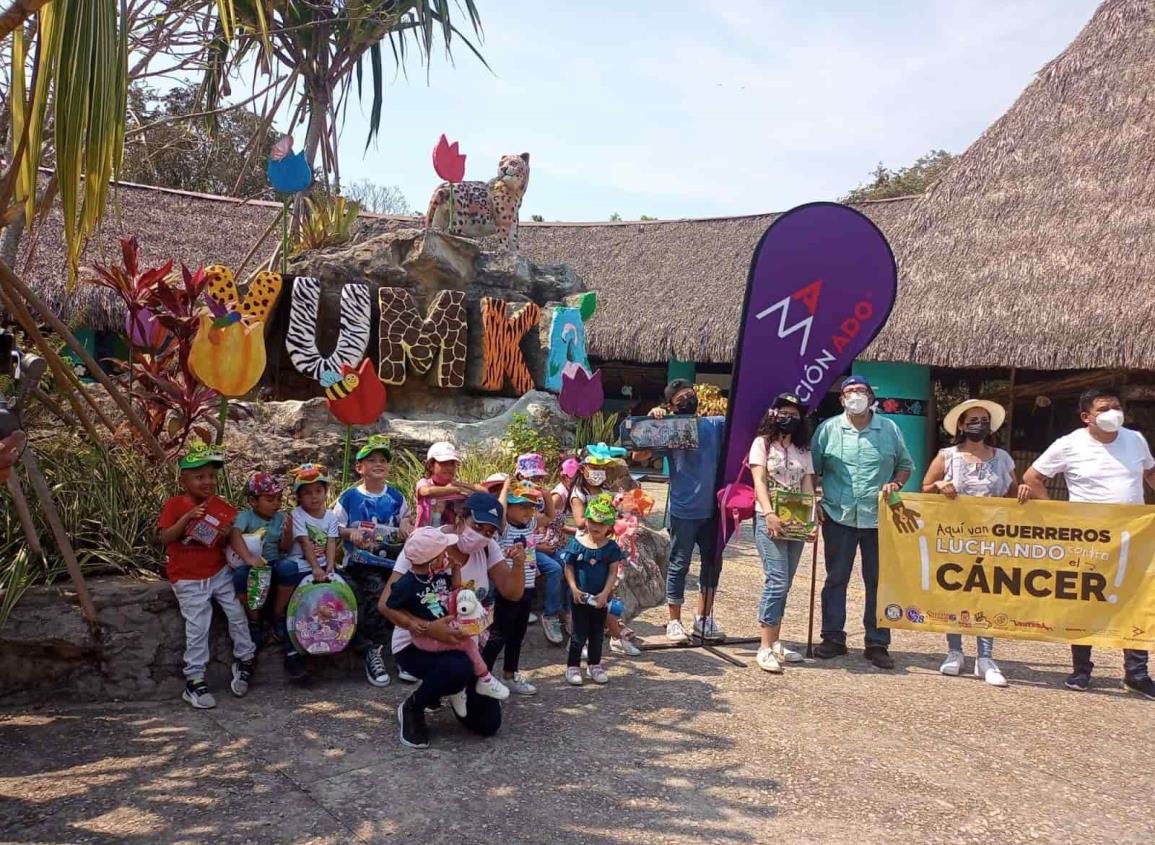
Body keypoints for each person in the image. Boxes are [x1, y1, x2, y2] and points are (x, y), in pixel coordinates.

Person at [1023, 388, 1155, 700]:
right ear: (1086, 417)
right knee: (1085, 599)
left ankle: (1136, 673)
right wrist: (1061, 516)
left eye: (1116, 406)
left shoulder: (1135, 439)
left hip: (1131, 535)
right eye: (1104, 408)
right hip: (1088, 539)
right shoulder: (1069, 444)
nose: (1113, 413)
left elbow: (1150, 472)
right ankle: (1081, 670)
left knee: (1135, 600)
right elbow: (1032, 477)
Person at [381, 492, 526, 749]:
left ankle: (448, 688)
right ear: (461, 517)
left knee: (488, 724)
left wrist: (519, 563)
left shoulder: (487, 548)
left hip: (461, 641)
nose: (482, 535)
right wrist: (427, 627)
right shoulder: (425, 544)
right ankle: (414, 706)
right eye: (477, 526)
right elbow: (386, 604)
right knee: (458, 667)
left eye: (490, 532)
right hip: (415, 643)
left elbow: (512, 592)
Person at [921, 399, 1027, 688]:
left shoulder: (1002, 458)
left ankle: (986, 657)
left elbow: (1012, 491)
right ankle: (955, 650)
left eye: (983, 419)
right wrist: (940, 486)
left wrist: (1023, 491)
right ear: (961, 425)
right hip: (955, 538)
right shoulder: (947, 456)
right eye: (973, 419)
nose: (978, 424)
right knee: (955, 590)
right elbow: (925, 488)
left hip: (992, 538)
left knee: (987, 593)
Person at [812, 375, 914, 669]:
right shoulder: (828, 429)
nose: (855, 395)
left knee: (878, 582)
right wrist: (813, 501)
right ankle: (833, 638)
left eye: (861, 390)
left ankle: (877, 642)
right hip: (838, 515)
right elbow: (813, 471)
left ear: (871, 396)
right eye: (849, 391)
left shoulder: (890, 429)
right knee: (836, 579)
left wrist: (896, 484)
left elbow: (905, 466)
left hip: (878, 519)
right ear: (842, 398)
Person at [156, 443, 256, 709]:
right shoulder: (176, 504)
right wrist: (187, 517)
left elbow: (228, 537)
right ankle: (194, 680)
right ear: (184, 480)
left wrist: (226, 538)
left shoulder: (221, 507)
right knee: (198, 626)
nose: (207, 481)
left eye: (211, 476)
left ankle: (246, 660)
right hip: (188, 577)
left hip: (218, 571)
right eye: (200, 476)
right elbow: (164, 537)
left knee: (237, 614)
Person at [385, 527, 509, 704]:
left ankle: (457, 687)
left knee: (467, 643)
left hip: (443, 628)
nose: (447, 556)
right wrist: (417, 626)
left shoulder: (438, 576)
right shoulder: (407, 584)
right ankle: (483, 679)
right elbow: (391, 607)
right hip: (422, 638)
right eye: (443, 554)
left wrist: (456, 570)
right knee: (466, 646)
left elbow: (455, 590)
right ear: (432, 561)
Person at [644, 379, 727, 644]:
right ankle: (674, 621)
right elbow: (639, 455)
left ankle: (704, 618)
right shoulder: (670, 430)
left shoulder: (715, 425)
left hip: (714, 509)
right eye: (679, 398)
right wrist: (652, 422)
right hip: (684, 509)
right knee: (679, 565)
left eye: (689, 394)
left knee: (712, 565)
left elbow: (744, 428)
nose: (687, 399)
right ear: (670, 406)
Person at [333, 434, 414, 688]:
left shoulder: (396, 497)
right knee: (375, 595)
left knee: (408, 593)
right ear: (360, 467)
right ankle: (372, 651)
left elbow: (408, 520)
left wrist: (404, 524)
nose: (378, 464)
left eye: (383, 460)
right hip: (361, 562)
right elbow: (334, 529)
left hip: (392, 561)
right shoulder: (349, 497)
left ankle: (404, 654)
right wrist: (350, 533)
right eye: (372, 461)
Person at [748, 393, 815, 674]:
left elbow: (808, 484)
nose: (790, 418)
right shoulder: (762, 444)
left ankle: (776, 642)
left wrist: (811, 523)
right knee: (776, 580)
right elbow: (759, 481)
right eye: (784, 412)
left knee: (785, 582)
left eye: (795, 414)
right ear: (774, 414)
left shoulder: (803, 448)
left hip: (797, 517)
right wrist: (768, 513)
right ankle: (763, 647)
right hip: (770, 516)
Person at [273, 463, 340, 685]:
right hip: (302, 564)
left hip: (321, 565)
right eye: (307, 493)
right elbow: (304, 543)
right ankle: (281, 621)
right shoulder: (298, 514)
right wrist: (316, 568)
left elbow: (331, 541)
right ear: (299, 497)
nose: (314, 497)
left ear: (325, 492)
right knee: (291, 580)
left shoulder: (330, 516)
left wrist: (330, 565)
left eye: (318, 491)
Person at [569, 455, 643, 657]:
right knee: (586, 598)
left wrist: (624, 514)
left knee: (608, 598)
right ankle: (580, 642)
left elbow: (617, 516)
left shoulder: (606, 492)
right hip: (585, 548)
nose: (598, 471)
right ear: (583, 469)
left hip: (606, 548)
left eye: (602, 467)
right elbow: (579, 522)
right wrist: (602, 517)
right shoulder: (579, 493)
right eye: (594, 467)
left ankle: (617, 637)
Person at [483, 479, 549, 695]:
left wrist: (544, 492)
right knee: (498, 634)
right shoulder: (503, 528)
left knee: (518, 634)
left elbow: (549, 514)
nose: (528, 511)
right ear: (509, 507)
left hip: (528, 586)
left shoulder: (530, 525)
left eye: (531, 506)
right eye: (522, 505)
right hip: (508, 589)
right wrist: (505, 488)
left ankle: (510, 675)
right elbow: (499, 511)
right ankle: (483, 675)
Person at [562, 494, 624, 686]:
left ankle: (595, 664)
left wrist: (605, 593)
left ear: (609, 526)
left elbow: (613, 572)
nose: (596, 526)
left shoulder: (611, 548)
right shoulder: (577, 543)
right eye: (592, 521)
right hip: (580, 598)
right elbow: (569, 566)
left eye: (602, 523)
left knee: (597, 633)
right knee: (578, 633)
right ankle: (572, 666)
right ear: (586, 520)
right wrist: (573, 588)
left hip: (601, 598)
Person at [228, 472, 287, 646]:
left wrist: (288, 534)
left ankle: (278, 615)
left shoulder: (281, 518)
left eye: (279, 498)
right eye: (270, 500)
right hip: (253, 564)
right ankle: (254, 621)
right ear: (253, 501)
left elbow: (284, 548)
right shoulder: (246, 516)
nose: (276, 504)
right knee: (240, 576)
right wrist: (248, 558)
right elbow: (234, 535)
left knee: (290, 568)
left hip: (274, 562)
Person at [516, 452, 566, 645]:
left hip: (542, 543)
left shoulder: (539, 496)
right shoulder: (517, 498)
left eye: (539, 477)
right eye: (532, 477)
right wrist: (539, 546)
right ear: (521, 476)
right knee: (554, 569)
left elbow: (546, 521)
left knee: (568, 563)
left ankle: (567, 611)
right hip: (528, 547)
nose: (536, 480)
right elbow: (517, 530)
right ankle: (550, 614)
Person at [414, 441, 486, 528]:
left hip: (453, 535)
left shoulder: (457, 484)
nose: (449, 467)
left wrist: (460, 484)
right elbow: (426, 491)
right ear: (430, 466)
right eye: (444, 463)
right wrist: (455, 490)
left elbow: (485, 492)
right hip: (426, 534)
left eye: (452, 464)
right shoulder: (425, 483)